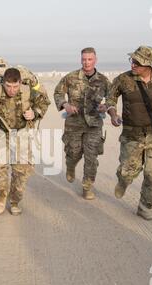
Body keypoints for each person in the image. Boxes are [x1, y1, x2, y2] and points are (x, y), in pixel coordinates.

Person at [106, 46, 152, 220]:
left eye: (137, 62)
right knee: (126, 171)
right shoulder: (123, 79)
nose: (133, 64)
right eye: (132, 60)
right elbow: (110, 99)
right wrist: (113, 114)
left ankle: (145, 206)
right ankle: (123, 181)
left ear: (149, 64)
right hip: (131, 135)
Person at [0, 68, 50, 215]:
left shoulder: (28, 92)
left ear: (20, 83)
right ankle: (2, 194)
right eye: (8, 86)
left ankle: (14, 201)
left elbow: (44, 102)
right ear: (3, 83)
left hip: (21, 134)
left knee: (21, 172)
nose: (12, 90)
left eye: (15, 86)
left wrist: (35, 113)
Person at [54, 47, 111, 199]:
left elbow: (111, 99)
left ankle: (87, 186)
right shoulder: (71, 77)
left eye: (90, 59)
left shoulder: (104, 81)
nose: (86, 63)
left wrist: (106, 107)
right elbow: (58, 92)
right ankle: (71, 166)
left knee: (91, 157)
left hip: (94, 125)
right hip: (74, 124)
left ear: (95, 60)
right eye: (84, 59)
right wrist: (65, 105)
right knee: (73, 152)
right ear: (81, 60)